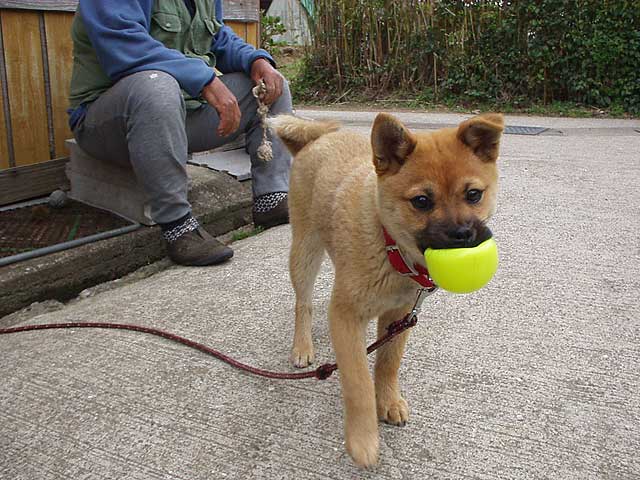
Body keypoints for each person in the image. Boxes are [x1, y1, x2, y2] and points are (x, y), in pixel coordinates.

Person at [68, 0, 292, 266]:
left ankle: (271, 198)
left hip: (180, 114)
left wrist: (256, 59)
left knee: (271, 85)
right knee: (155, 85)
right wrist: (205, 80)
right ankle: (177, 225)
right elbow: (125, 46)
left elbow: (218, 38)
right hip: (108, 122)